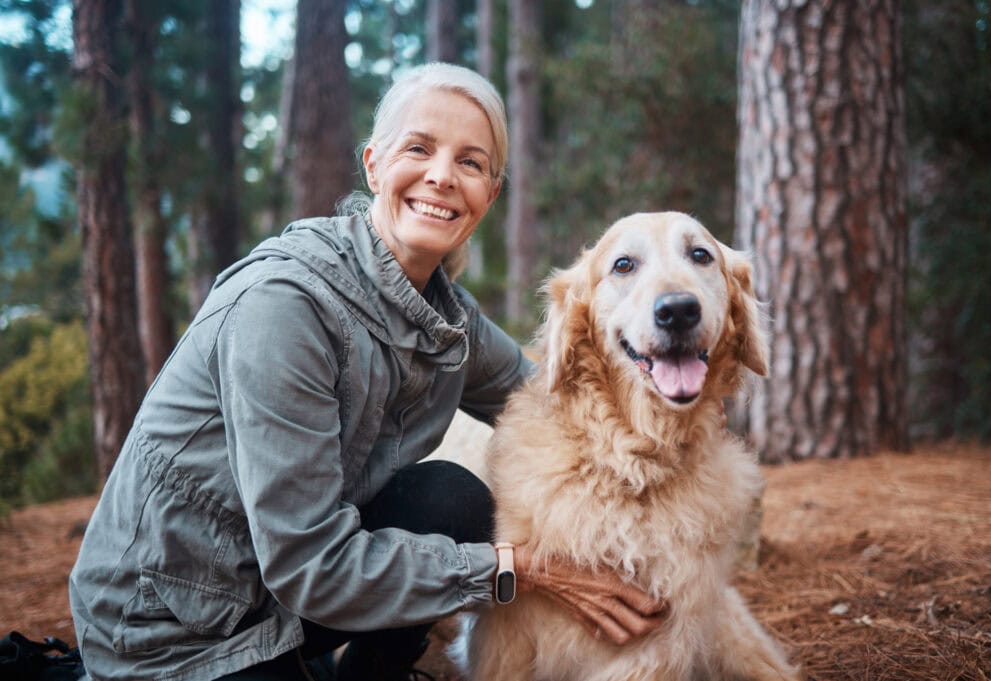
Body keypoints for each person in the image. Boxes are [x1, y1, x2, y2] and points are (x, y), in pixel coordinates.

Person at [69, 63, 666, 681]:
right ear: (374, 164)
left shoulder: (446, 316)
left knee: (449, 500)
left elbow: (554, 401)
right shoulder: (285, 308)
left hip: (277, 589)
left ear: (490, 193)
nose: (441, 176)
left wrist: (661, 374)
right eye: (419, 148)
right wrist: (521, 568)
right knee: (464, 541)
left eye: (470, 162)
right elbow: (310, 566)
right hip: (175, 623)